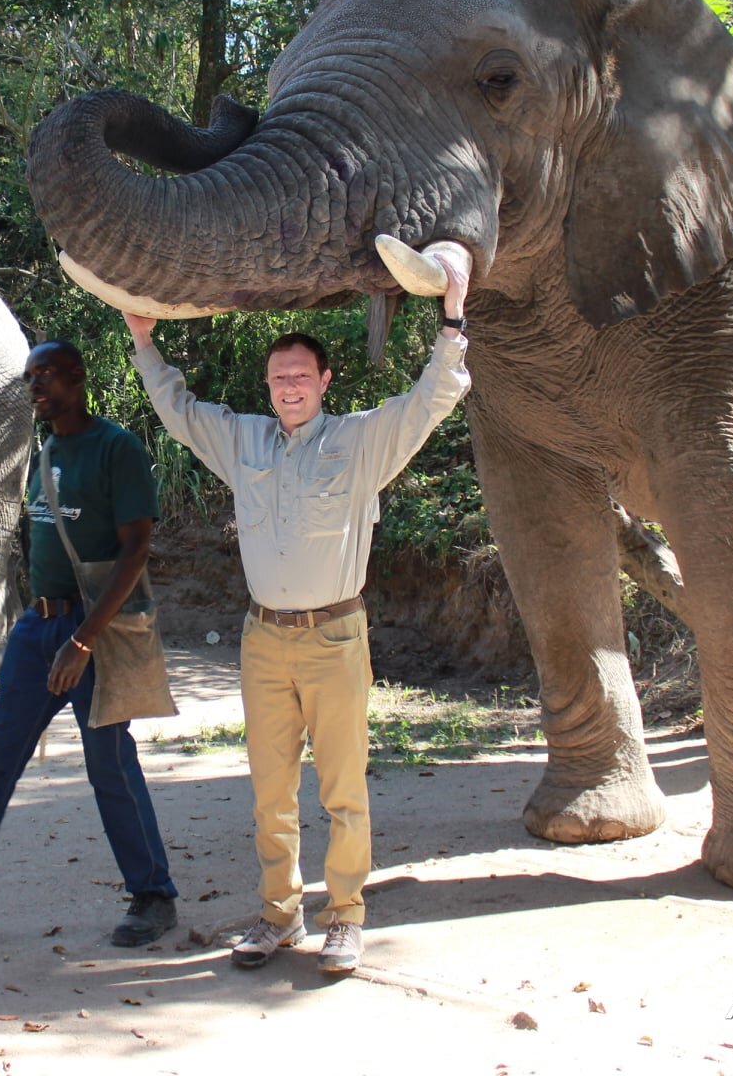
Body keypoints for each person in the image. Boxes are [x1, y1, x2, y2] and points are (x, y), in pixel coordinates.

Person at [122, 258, 469, 976]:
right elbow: (180, 414)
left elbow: (430, 400)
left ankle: (345, 917)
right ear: (269, 385)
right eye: (279, 376)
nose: (289, 385)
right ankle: (279, 915)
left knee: (343, 789)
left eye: (301, 375)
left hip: (336, 638)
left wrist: (453, 320)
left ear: (325, 383)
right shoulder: (244, 440)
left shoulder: (363, 441)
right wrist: (145, 344)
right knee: (270, 792)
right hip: (263, 641)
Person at [0, 340, 180, 947]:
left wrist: (84, 640)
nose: (34, 385)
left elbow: (136, 550)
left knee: (109, 765)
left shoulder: (116, 449)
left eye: (44, 374)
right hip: (35, 631)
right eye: (29, 377)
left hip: (88, 631)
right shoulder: (45, 450)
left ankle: (153, 895)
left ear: (78, 375)